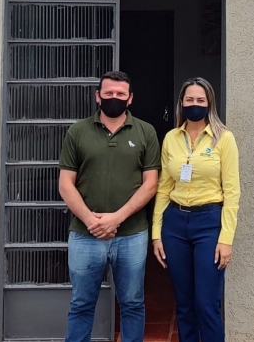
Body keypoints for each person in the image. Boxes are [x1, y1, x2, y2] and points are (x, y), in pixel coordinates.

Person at [58, 71, 161, 342]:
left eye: (120, 94)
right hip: (84, 233)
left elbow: (151, 184)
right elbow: (66, 184)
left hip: (132, 234)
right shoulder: (77, 131)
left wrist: (116, 218)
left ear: (130, 98)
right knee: (81, 304)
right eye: (108, 94)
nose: (114, 98)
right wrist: (93, 221)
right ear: (98, 96)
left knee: (132, 303)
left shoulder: (145, 131)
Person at [151, 77, 242, 342]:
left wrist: (226, 239)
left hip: (209, 223)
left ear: (209, 103)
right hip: (175, 225)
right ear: (181, 103)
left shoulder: (224, 139)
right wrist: (157, 233)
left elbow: (232, 192)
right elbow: (163, 189)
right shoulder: (171, 138)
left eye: (200, 100)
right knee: (184, 303)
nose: (194, 105)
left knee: (206, 303)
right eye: (189, 100)